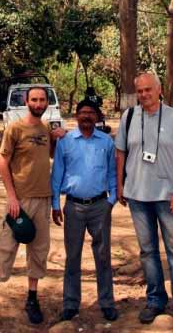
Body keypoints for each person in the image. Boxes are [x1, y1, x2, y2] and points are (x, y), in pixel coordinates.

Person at [0, 86, 65, 329]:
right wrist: (11, 197)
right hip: (19, 201)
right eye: (34, 99)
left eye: (42, 99)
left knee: (38, 252)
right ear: (26, 101)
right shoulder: (14, 128)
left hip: (43, 199)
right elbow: (3, 162)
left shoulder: (46, 129)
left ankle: (32, 301)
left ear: (47, 102)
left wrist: (59, 136)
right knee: (4, 250)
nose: (38, 103)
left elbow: (52, 155)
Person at [115, 73, 173, 332]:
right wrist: (120, 185)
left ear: (159, 90)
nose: (143, 95)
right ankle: (155, 300)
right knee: (148, 252)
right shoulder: (128, 117)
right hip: (138, 196)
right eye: (139, 91)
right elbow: (120, 153)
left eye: (148, 90)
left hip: (167, 197)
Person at [51, 99, 118, 322]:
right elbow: (57, 173)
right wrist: (55, 204)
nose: (86, 116)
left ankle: (107, 303)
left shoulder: (106, 142)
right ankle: (70, 303)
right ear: (76, 116)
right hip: (73, 207)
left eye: (91, 112)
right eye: (82, 112)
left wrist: (112, 199)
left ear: (97, 117)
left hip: (100, 206)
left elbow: (112, 173)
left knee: (103, 256)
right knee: (73, 257)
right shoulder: (66, 141)